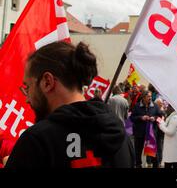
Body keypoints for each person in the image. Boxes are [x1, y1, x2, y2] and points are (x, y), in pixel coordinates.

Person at [5, 41, 134, 168]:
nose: (27, 99)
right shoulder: (122, 137)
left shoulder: (37, 142)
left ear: (47, 82)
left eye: (27, 87)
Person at [130, 90, 162, 168]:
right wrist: (141, 117)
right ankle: (138, 164)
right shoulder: (137, 106)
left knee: (153, 150)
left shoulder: (155, 106)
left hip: (151, 132)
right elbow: (131, 118)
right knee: (138, 150)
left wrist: (154, 118)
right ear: (143, 97)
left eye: (150, 96)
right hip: (139, 132)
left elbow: (160, 117)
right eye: (148, 96)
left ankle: (155, 165)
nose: (150, 98)